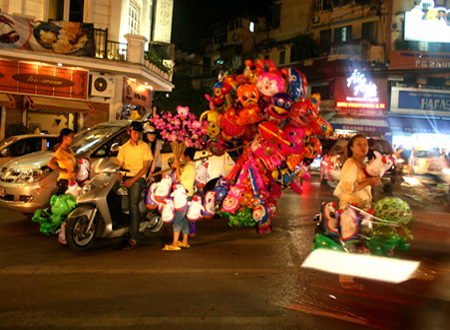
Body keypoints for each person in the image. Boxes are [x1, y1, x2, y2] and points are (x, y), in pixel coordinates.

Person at [117, 121, 153, 251]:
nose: (137, 135)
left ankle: (134, 237)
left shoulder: (145, 147)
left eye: (139, 133)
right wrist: (119, 178)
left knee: (133, 204)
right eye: (134, 133)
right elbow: (119, 165)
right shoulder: (124, 148)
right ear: (129, 133)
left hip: (138, 178)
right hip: (126, 176)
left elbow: (145, 168)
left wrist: (132, 181)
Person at [162, 147, 196, 251]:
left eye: (183, 155)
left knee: (178, 219)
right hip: (187, 194)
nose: (181, 157)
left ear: (187, 156)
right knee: (184, 218)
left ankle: (175, 243)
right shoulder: (190, 165)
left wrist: (177, 167)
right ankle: (184, 241)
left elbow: (179, 178)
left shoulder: (189, 166)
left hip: (183, 195)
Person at [334, 134, 381, 209]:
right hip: (351, 210)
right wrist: (368, 182)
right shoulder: (350, 165)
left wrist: (375, 181)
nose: (363, 147)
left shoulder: (365, 165)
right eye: (359, 144)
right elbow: (348, 189)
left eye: (365, 144)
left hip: (363, 208)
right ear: (352, 148)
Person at [47, 128, 77, 196]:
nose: (73, 140)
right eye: (71, 137)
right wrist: (61, 170)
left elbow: (75, 164)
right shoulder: (60, 152)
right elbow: (50, 163)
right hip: (64, 182)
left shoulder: (70, 150)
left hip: (71, 181)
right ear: (65, 138)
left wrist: (74, 172)